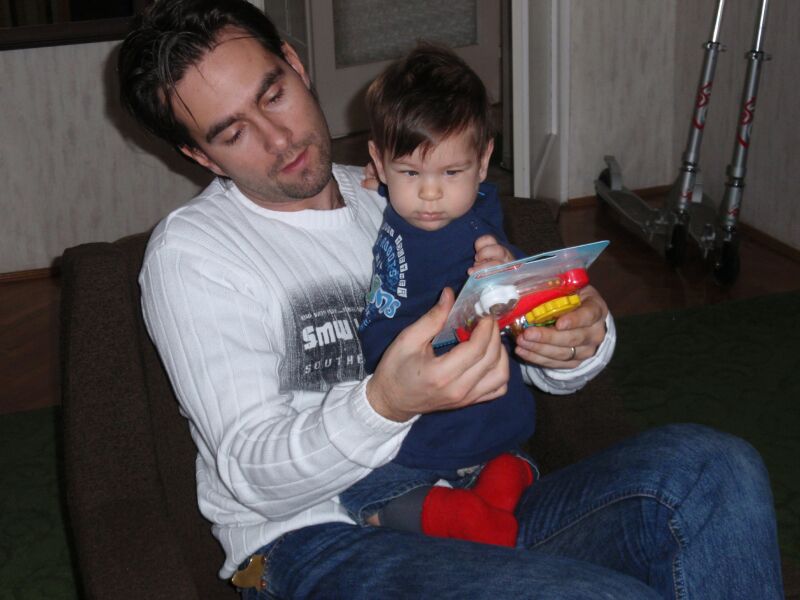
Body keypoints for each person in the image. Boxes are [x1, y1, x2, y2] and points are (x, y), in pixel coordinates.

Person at [117, 1, 784, 598]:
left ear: (295, 64)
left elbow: (516, 332)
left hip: (487, 494)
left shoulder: (410, 191)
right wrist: (385, 403)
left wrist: (575, 339)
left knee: (716, 469)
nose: (278, 137)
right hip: (318, 541)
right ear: (200, 156)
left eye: (274, 94)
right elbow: (250, 470)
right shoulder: (196, 254)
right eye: (232, 133)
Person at [339, 45, 546, 548]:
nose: (430, 194)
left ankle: (452, 513)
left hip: (432, 426)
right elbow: (416, 177)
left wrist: (506, 268)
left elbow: (515, 272)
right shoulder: (410, 194)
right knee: (512, 460)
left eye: (451, 174)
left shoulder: (475, 237)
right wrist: (383, 184)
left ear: (483, 162)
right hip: (485, 425)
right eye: (411, 173)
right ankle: (501, 482)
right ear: (379, 162)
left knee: (356, 493)